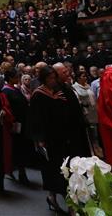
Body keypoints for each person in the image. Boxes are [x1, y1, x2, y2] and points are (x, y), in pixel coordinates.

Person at [29, 65, 80, 214]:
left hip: (63, 137)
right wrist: (39, 139)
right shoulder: (38, 95)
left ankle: (53, 197)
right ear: (43, 79)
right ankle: (68, 205)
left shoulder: (60, 91)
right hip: (49, 140)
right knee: (56, 171)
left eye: (54, 78)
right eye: (49, 78)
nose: (52, 81)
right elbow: (35, 120)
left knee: (64, 171)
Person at [2, 69, 31, 185]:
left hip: (22, 122)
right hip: (14, 123)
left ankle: (20, 171)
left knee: (21, 148)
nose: (18, 79)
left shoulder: (15, 89)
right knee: (16, 148)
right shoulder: (5, 91)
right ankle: (15, 171)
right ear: (10, 78)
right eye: (16, 77)